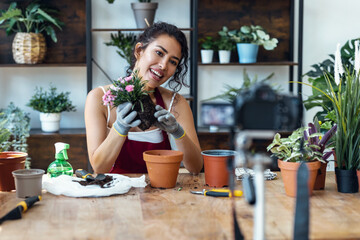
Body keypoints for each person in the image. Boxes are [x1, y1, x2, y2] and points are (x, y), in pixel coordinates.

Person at [85, 22, 203, 174]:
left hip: (162, 192)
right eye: (159, 53)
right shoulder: (99, 98)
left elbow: (195, 167)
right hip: (115, 193)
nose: (163, 65)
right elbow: (99, 168)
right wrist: (119, 128)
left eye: (173, 62)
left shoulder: (175, 103)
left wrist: (178, 133)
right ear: (139, 50)